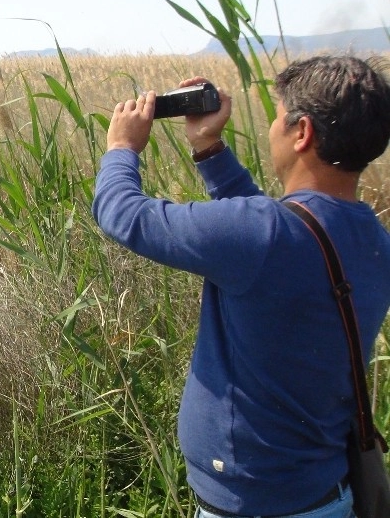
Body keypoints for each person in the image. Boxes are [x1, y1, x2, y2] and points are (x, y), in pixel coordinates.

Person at [91, 55, 390, 517]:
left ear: (302, 132)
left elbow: (123, 214)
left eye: (277, 117)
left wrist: (121, 149)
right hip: (328, 495)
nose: (272, 128)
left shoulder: (261, 235)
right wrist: (209, 148)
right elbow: (280, 239)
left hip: (252, 504)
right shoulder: (372, 238)